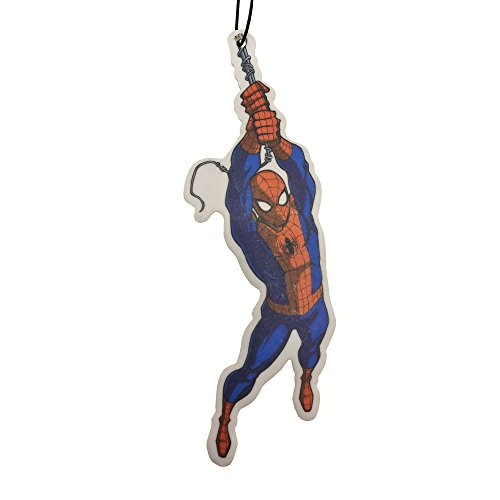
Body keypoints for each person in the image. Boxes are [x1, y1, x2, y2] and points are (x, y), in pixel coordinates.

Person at [215, 82, 330, 458]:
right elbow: (236, 195)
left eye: (282, 199)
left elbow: (301, 173)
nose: (279, 211)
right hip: (278, 316)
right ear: (255, 208)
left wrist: (275, 139)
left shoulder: (303, 213)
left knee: (312, 349)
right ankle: (225, 416)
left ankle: (307, 376)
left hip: (314, 307)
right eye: (266, 205)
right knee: (250, 370)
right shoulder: (252, 235)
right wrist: (252, 139)